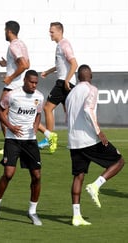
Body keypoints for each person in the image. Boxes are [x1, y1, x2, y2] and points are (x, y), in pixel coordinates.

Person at [65, 64, 125, 226]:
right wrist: (99, 132)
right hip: (89, 140)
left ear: (78, 77)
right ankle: (96, 185)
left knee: (78, 176)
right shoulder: (92, 89)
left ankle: (76, 217)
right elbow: (88, 110)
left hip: (73, 141)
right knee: (119, 161)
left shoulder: (71, 94)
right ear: (90, 76)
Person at [0, 70, 44, 226]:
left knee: (37, 176)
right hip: (13, 140)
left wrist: (36, 125)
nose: (34, 85)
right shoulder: (12, 95)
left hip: (30, 141)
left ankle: (32, 211)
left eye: (36, 83)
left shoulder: (39, 97)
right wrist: (10, 127)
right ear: (25, 80)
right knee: (8, 173)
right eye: (31, 82)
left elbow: (38, 113)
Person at [38, 22, 78, 153]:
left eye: (52, 31)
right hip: (66, 82)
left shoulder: (64, 44)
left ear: (59, 32)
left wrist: (66, 80)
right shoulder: (60, 45)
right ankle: (75, 141)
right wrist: (48, 71)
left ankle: (49, 138)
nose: (50, 34)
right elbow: (61, 64)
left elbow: (74, 63)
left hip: (63, 83)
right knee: (69, 113)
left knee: (47, 108)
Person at [0, 20, 30, 155]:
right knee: (16, 115)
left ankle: (9, 146)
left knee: (1, 113)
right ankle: (47, 133)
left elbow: (24, 65)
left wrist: (10, 77)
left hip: (12, 86)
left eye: (5, 30)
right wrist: (7, 63)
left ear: (9, 31)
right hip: (19, 84)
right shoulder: (22, 44)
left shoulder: (13, 46)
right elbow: (27, 63)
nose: (4, 32)